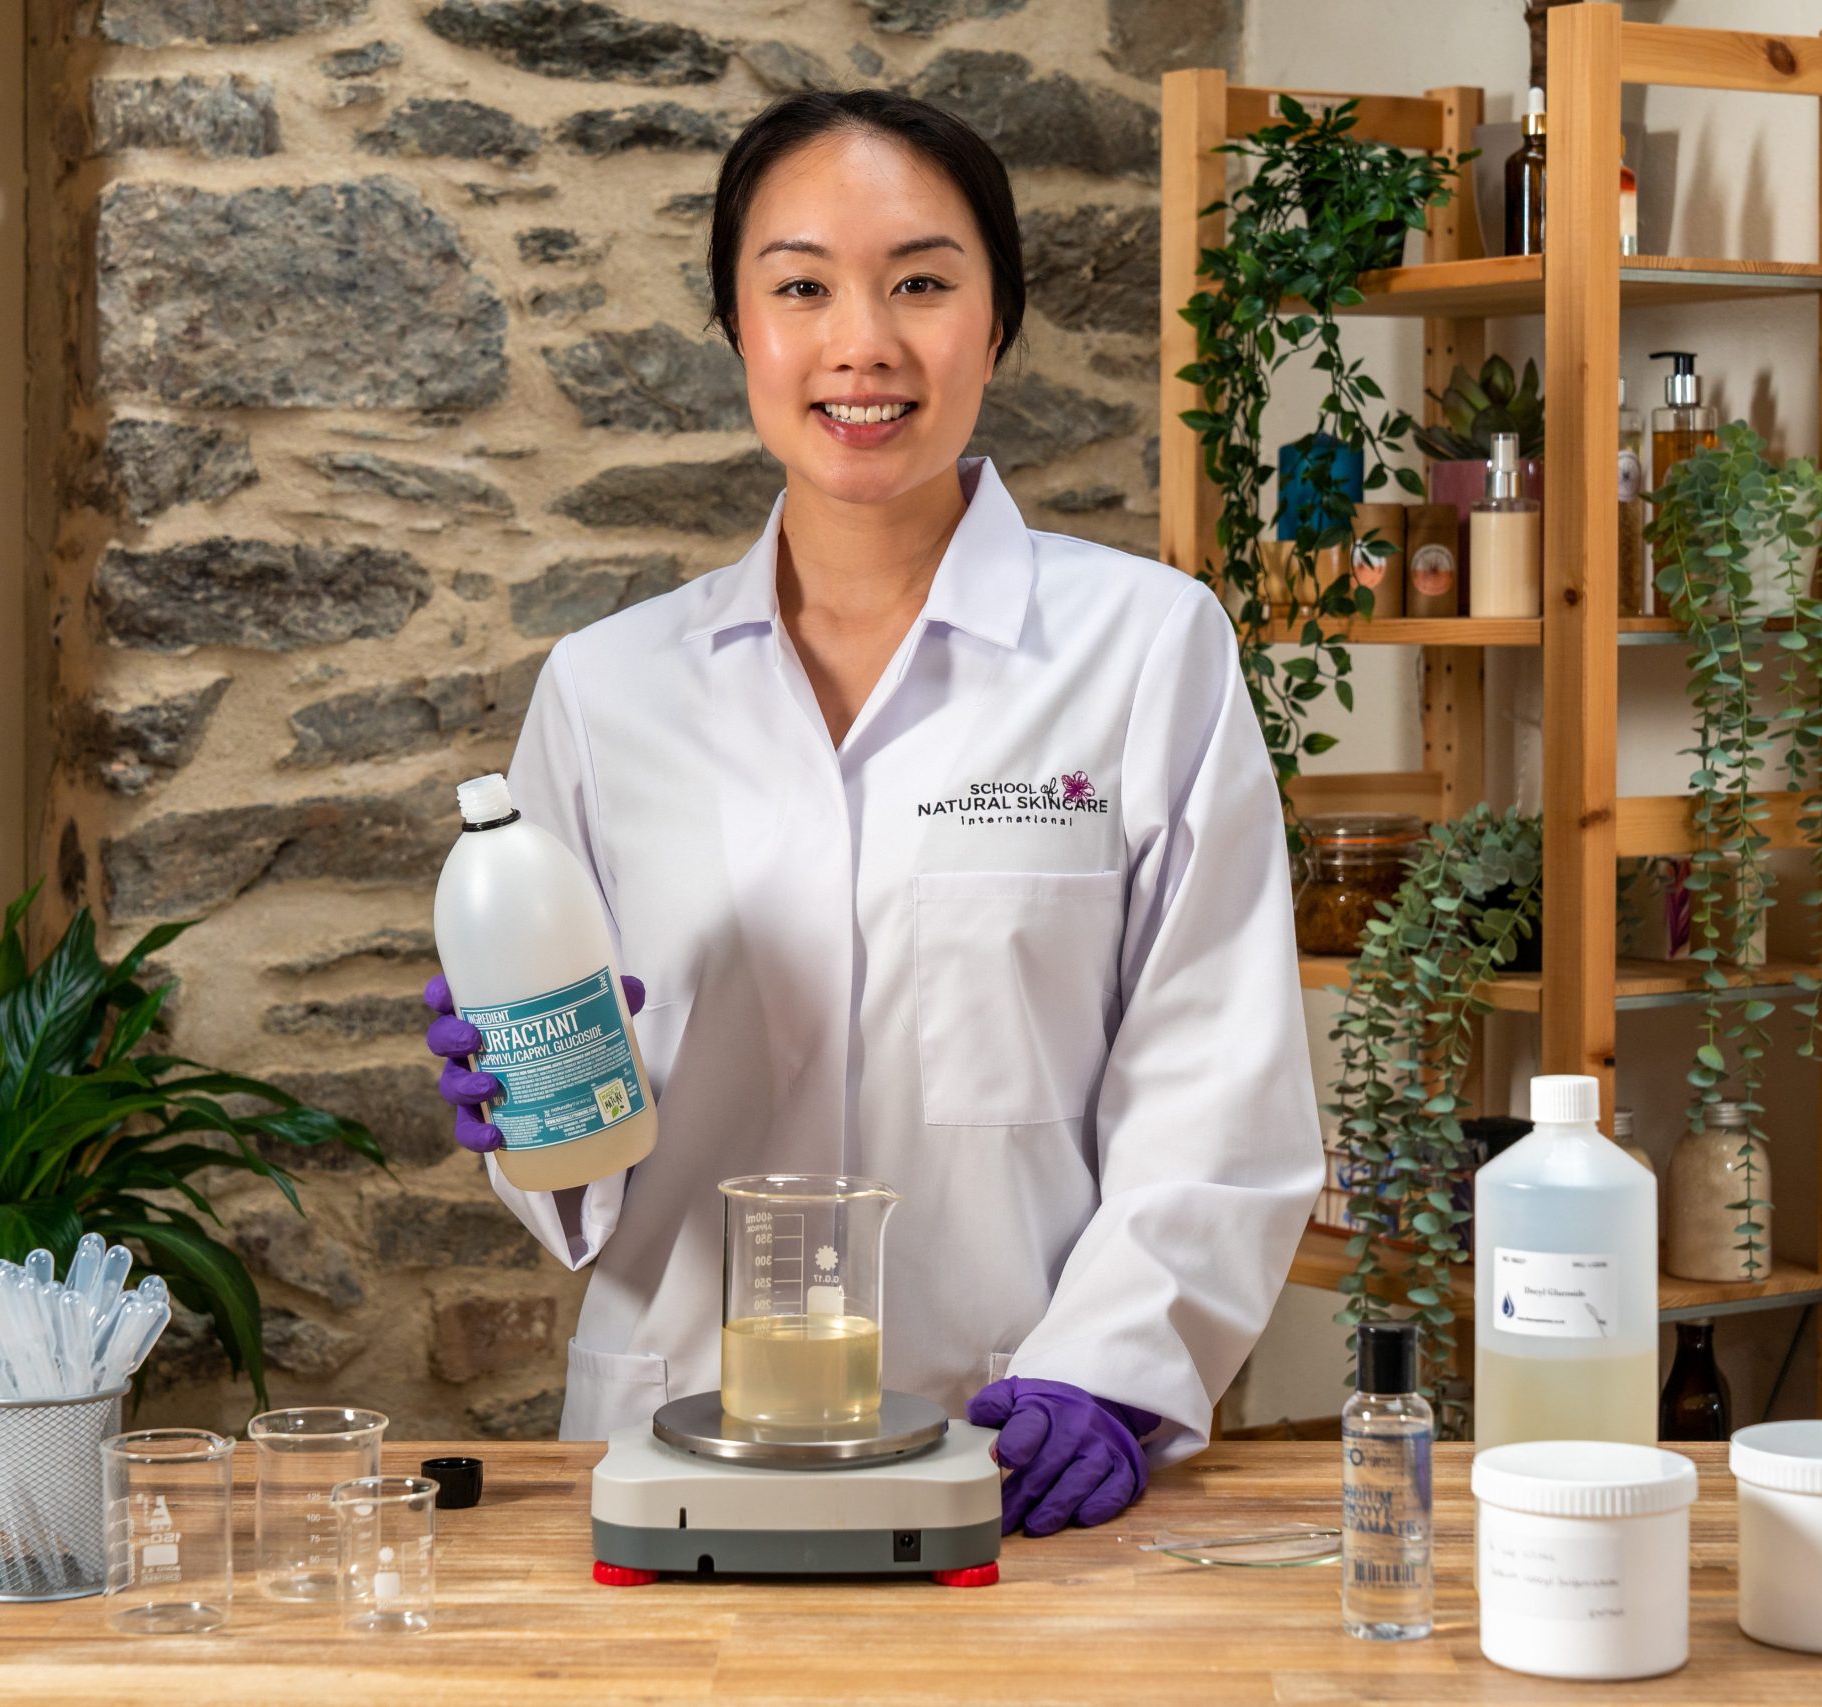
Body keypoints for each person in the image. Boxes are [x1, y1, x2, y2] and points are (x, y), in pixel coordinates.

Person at [420, 89, 1321, 1538]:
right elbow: (584, 1155)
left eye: (920, 282)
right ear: (737, 328)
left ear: (998, 317)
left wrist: (1106, 1375)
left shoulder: (1148, 651)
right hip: (676, 1449)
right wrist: (529, 1123)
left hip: (1009, 1449)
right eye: (801, 288)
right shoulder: (607, 692)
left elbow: (1218, 1076)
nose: (864, 344)